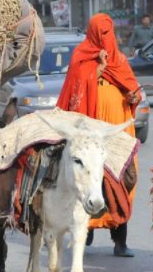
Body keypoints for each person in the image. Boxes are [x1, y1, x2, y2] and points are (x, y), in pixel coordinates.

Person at [56, 13, 141, 257]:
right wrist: (99, 69)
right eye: (100, 33)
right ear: (92, 33)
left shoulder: (121, 61)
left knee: (124, 182)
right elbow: (76, 90)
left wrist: (134, 97)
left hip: (120, 134)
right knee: (89, 181)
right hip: (91, 136)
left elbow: (132, 89)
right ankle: (86, 233)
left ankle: (120, 240)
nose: (105, 39)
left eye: (108, 33)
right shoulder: (81, 57)